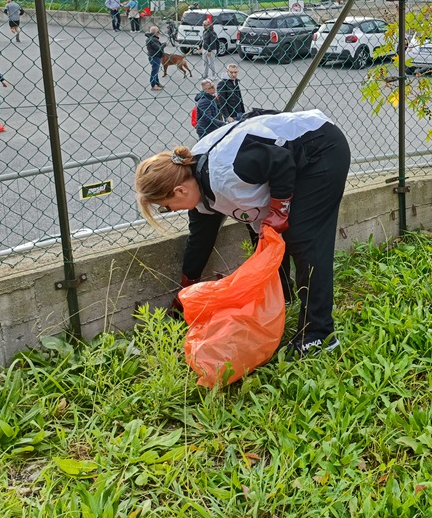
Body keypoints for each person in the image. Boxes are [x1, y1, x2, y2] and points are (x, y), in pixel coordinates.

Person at [134, 109, 352, 357]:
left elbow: (281, 161)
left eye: (165, 206)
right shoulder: (196, 187)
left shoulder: (227, 172)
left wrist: (279, 210)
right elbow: (201, 240)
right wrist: (187, 285)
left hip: (320, 148)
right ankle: (283, 297)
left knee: (303, 237)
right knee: (262, 234)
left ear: (180, 191)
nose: (170, 210)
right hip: (287, 159)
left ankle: (319, 334)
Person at [146, 25, 164, 91]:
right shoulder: (153, 39)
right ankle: (153, 85)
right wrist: (163, 45)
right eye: (158, 32)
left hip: (153, 56)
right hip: (155, 57)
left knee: (156, 70)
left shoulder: (151, 38)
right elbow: (158, 48)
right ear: (156, 33)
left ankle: (157, 82)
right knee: (154, 71)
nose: (159, 33)